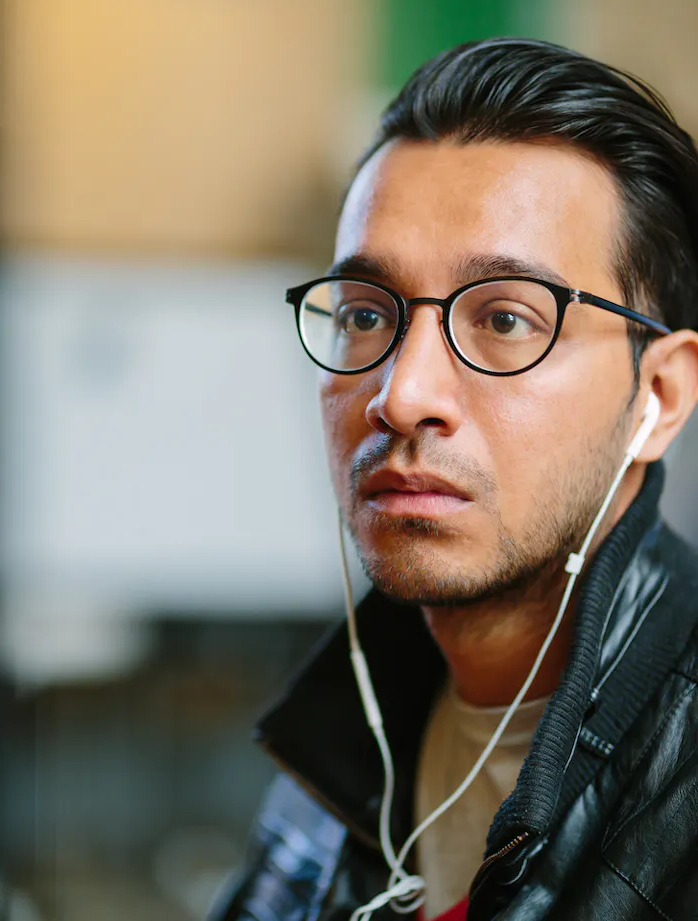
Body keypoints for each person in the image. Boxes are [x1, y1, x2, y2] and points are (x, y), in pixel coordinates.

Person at [209, 38, 698, 921]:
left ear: (657, 396)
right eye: (366, 314)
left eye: (506, 317)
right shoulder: (331, 763)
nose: (402, 394)